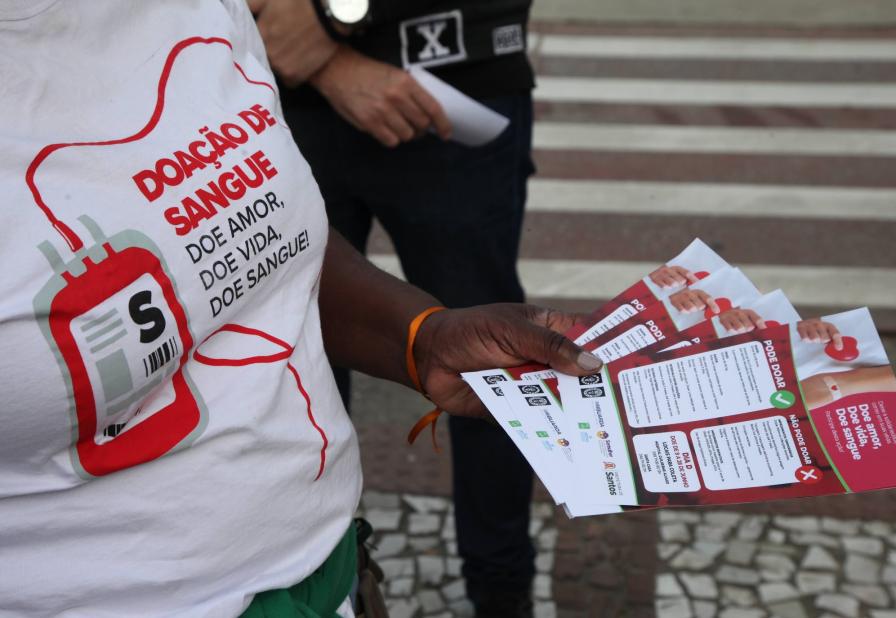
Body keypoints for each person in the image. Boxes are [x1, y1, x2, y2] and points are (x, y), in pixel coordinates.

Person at [0, 1, 602, 616]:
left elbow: (259, 257)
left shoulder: (196, 12)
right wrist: (330, 48)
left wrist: (420, 336)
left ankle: (502, 588)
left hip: (325, 575)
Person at [248, 1, 539, 614]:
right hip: (273, 94)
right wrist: (328, 62)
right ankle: (321, 574)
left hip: (452, 83)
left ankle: (502, 590)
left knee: (493, 367)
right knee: (290, 360)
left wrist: (330, 25)